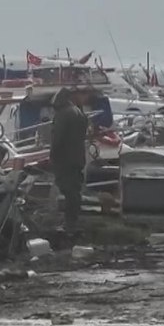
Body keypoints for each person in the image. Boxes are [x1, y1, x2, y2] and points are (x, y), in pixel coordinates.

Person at [49, 86, 89, 240]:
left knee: (68, 190)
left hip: (64, 159)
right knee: (74, 191)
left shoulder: (63, 114)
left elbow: (57, 139)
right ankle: (72, 221)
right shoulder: (79, 113)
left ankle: (69, 224)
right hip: (77, 158)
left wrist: (53, 156)